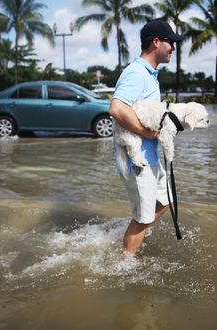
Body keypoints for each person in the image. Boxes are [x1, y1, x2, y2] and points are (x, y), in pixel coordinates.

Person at [109, 19, 184, 255]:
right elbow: (117, 108)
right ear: (156, 42)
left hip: (149, 156)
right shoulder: (137, 73)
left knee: (165, 199)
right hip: (138, 159)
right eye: (170, 41)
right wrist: (149, 133)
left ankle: (134, 233)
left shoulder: (150, 74)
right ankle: (125, 266)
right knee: (143, 218)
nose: (173, 47)